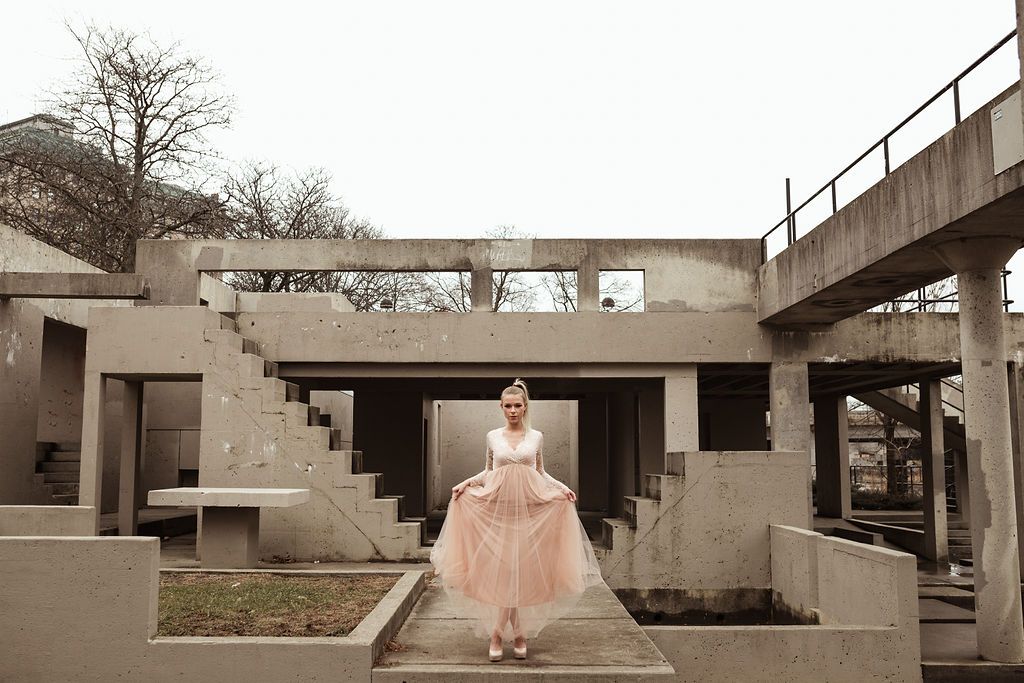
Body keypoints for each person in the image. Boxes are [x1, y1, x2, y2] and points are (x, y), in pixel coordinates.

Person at [428, 378, 603, 662]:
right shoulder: (492, 436)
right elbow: (487, 472)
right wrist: (465, 483)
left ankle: (503, 634)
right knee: (504, 571)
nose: (512, 410)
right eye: (507, 406)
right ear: (501, 407)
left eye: (517, 406)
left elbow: (541, 473)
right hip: (497, 512)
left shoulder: (536, 437)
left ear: (525, 407)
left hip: (529, 513)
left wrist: (561, 488)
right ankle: (511, 634)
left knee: (520, 571)